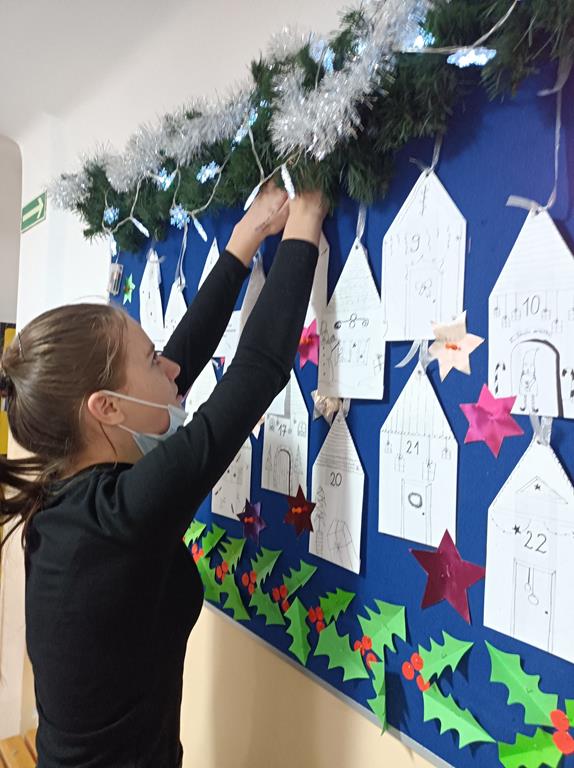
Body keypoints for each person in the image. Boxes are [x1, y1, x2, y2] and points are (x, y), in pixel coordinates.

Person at [0, 183, 327, 768]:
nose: (169, 369)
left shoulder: (71, 492)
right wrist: (306, 220)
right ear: (107, 408)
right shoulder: (117, 518)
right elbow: (255, 372)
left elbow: (178, 365)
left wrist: (245, 240)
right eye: (149, 360)